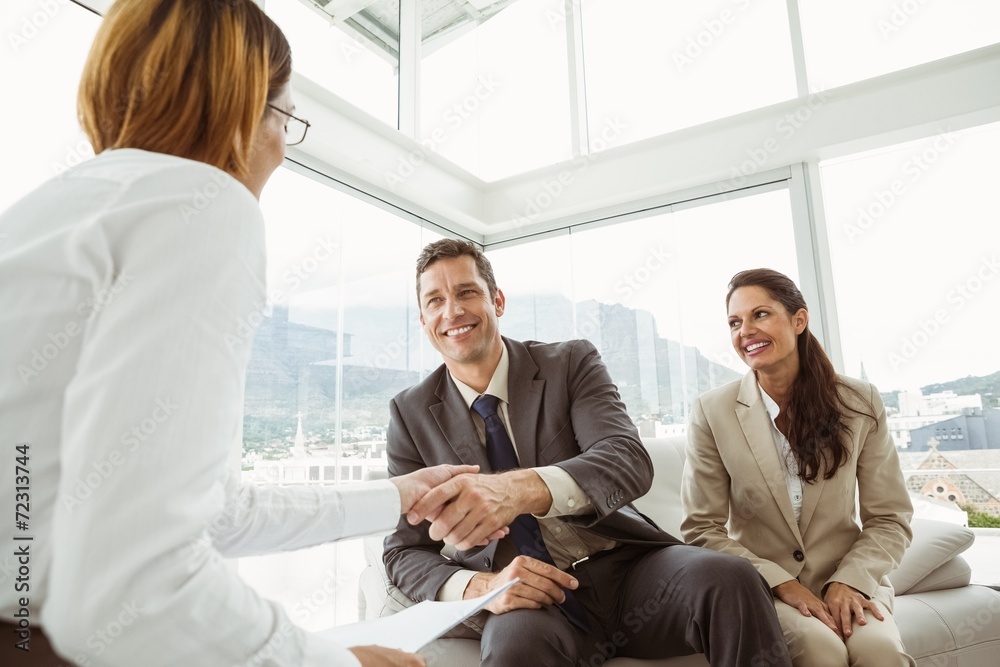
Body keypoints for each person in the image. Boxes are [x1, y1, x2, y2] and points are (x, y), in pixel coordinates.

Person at [0, 2, 488, 665]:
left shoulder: (48, 213)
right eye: (282, 115)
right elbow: (130, 587)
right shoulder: (200, 202)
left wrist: (398, 496)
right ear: (237, 106)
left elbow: (215, 511)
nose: (283, 146)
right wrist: (338, 662)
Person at [382, 239, 792, 667]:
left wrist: (520, 489)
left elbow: (625, 459)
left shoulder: (569, 362)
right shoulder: (409, 414)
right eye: (435, 301)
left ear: (497, 301)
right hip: (531, 600)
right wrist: (480, 587)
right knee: (514, 650)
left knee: (730, 578)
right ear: (424, 320)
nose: (452, 312)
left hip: (628, 570)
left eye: (467, 292)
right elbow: (403, 551)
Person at [680, 268, 915, 667]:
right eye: (735, 322)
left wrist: (849, 581)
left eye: (760, 315)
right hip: (765, 589)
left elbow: (890, 517)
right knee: (819, 650)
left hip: (851, 578)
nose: (745, 331)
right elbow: (700, 529)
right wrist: (782, 582)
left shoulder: (859, 401)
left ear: (799, 320)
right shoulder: (711, 411)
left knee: (881, 651)